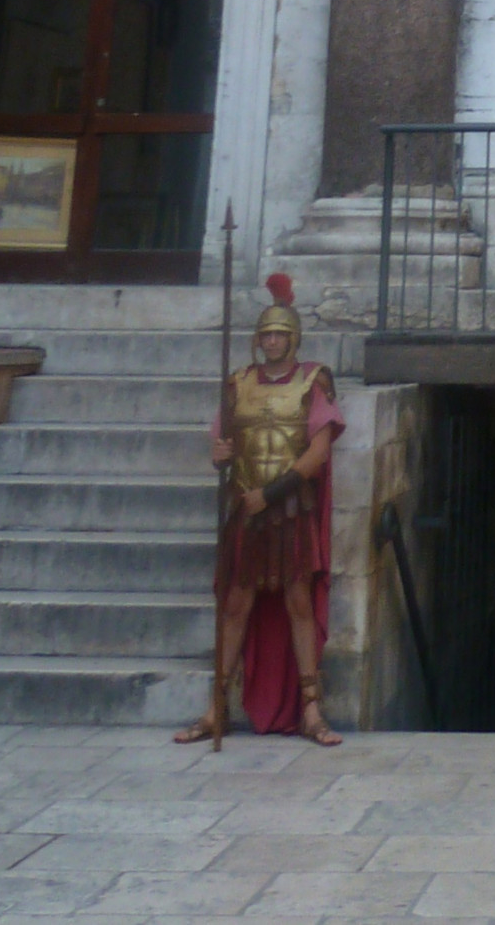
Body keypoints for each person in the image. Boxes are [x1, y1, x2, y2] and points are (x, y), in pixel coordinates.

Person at [177, 272, 344, 746]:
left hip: (290, 509)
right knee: (235, 606)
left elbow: (318, 452)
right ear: (258, 340)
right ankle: (216, 708)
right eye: (266, 334)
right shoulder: (239, 384)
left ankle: (311, 710)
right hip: (246, 511)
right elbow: (220, 443)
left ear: (293, 338)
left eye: (280, 334)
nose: (272, 341)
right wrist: (221, 457)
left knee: (298, 604)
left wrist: (270, 495)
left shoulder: (315, 381)